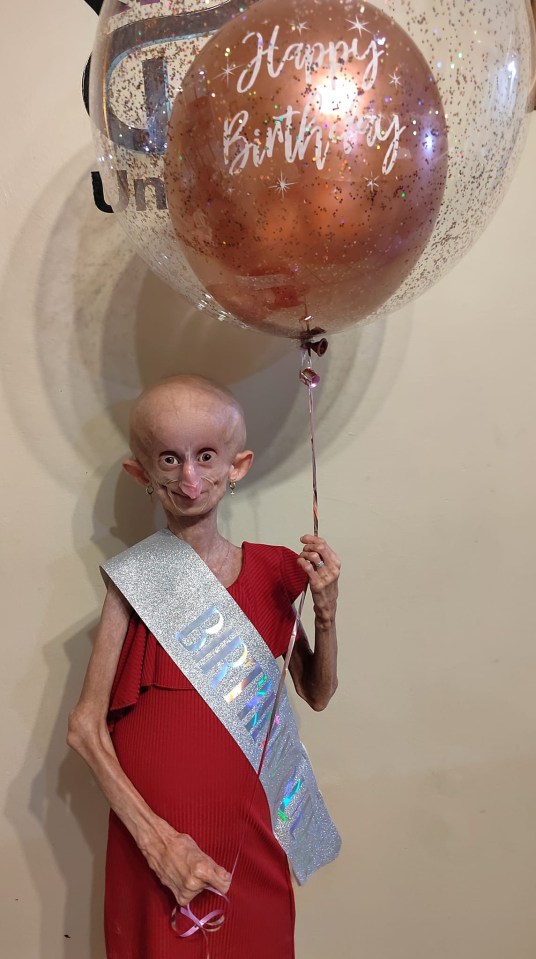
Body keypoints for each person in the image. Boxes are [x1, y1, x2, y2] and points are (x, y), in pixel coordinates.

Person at [67, 374, 341, 959]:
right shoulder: (135, 580)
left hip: (254, 839)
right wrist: (158, 842)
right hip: (160, 852)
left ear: (236, 466)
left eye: (206, 456)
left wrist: (324, 613)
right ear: (143, 473)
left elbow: (316, 693)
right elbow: (85, 730)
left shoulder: (275, 572)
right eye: (170, 458)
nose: (190, 479)